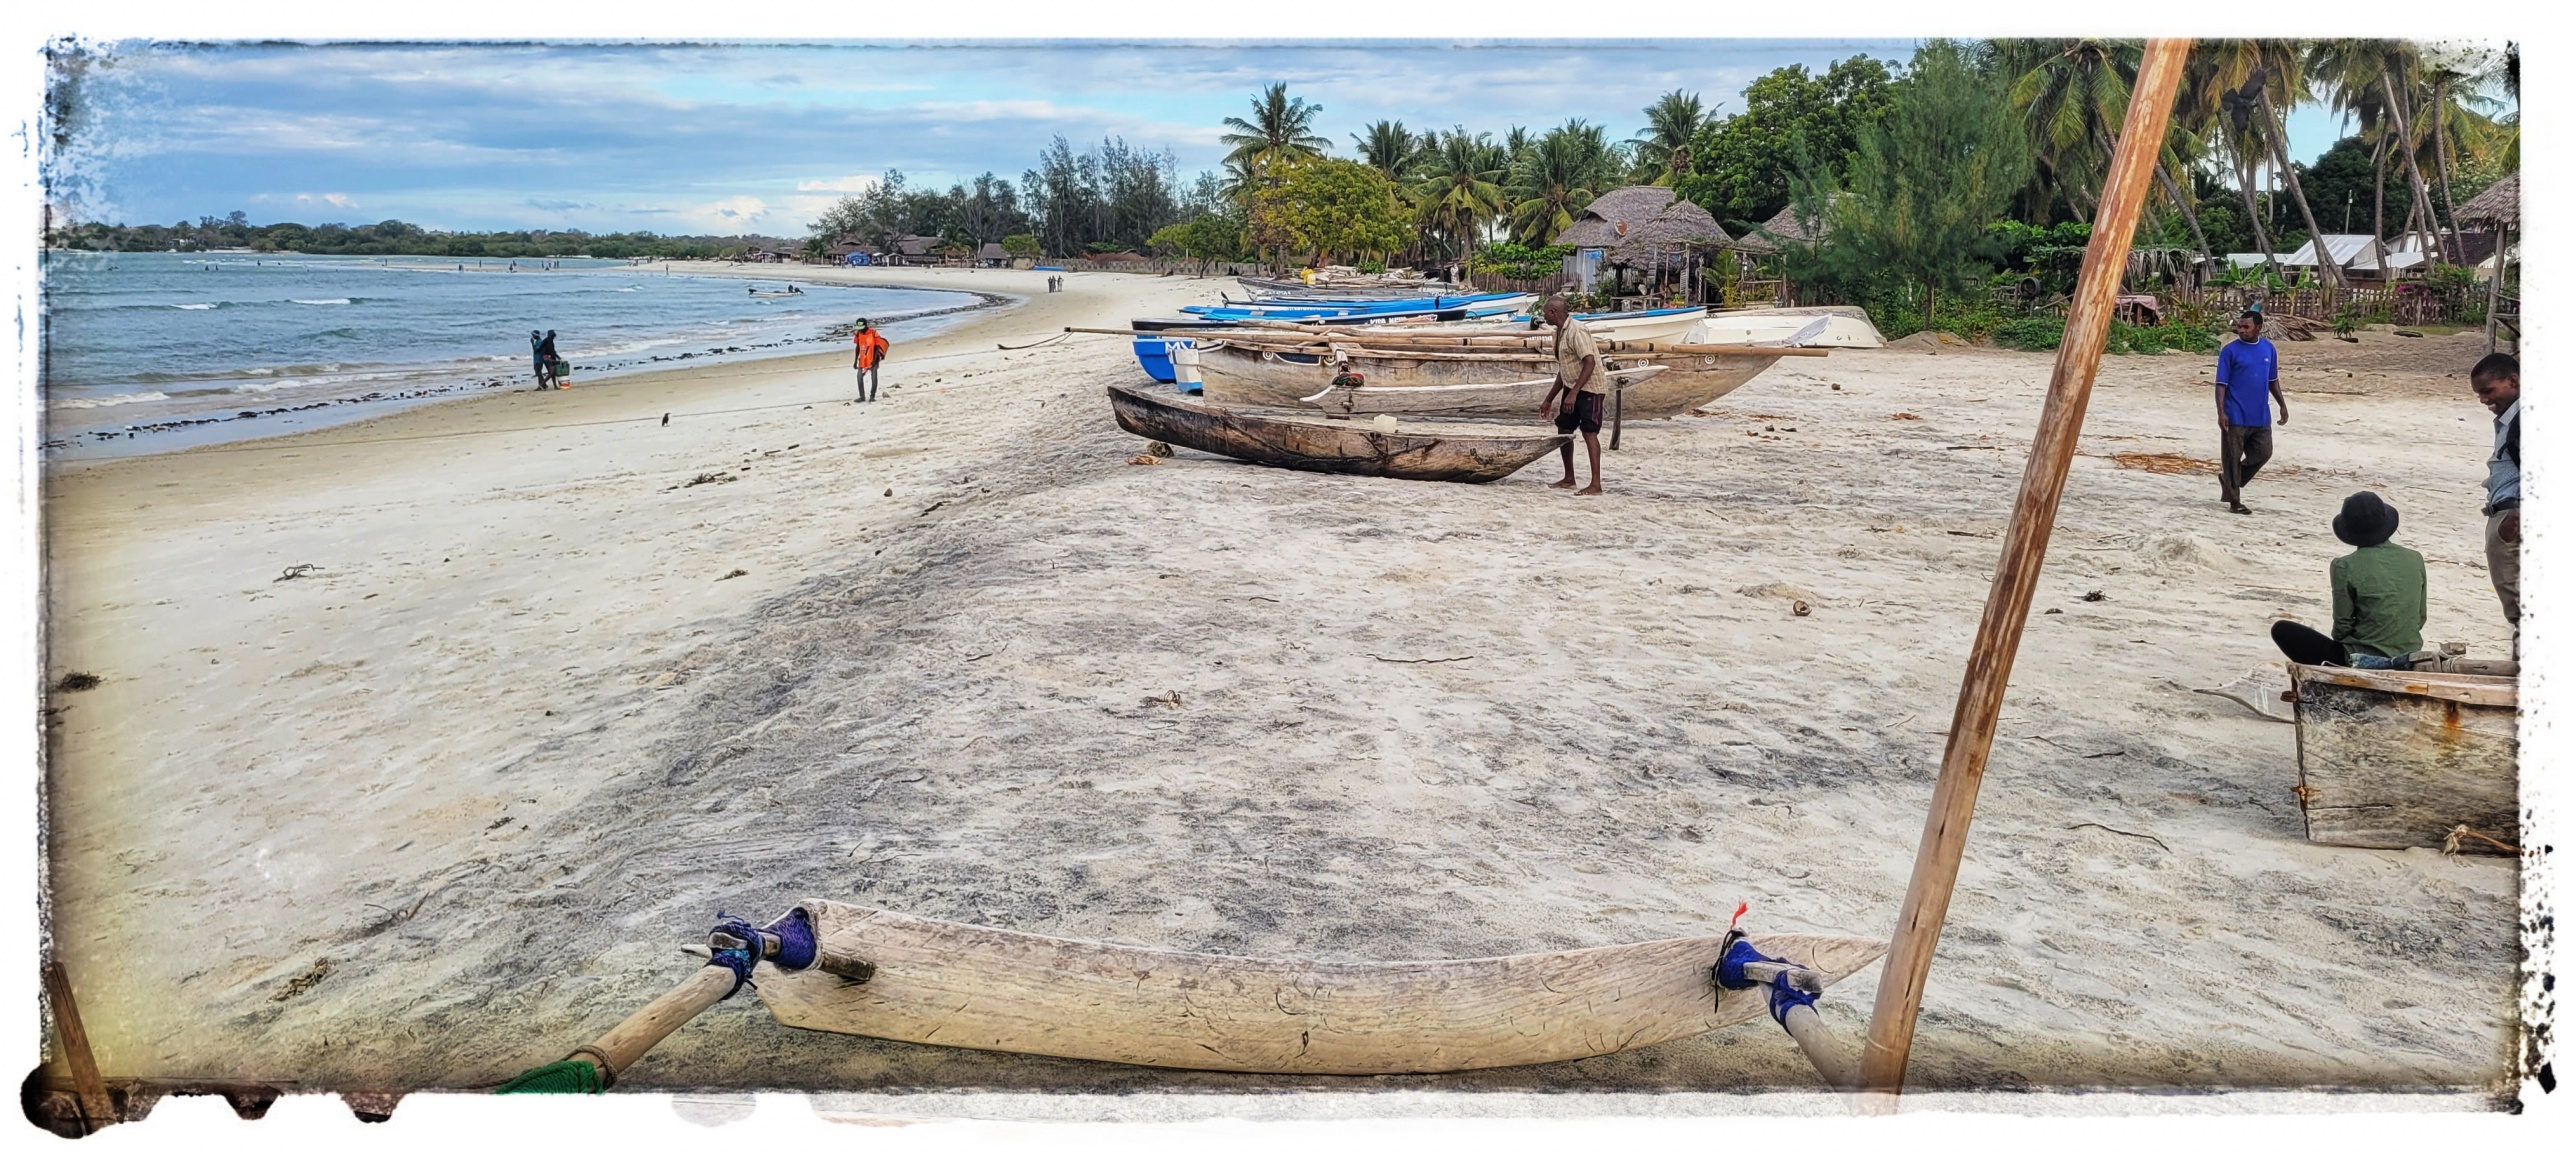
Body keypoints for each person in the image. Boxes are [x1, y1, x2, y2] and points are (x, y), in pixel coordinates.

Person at [2270, 491, 2427, 669]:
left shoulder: (2344, 566)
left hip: (2359, 659)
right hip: (2408, 656)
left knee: (2282, 630)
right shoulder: (2415, 558)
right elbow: (2420, 618)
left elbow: (2342, 627)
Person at [2213, 311, 2289, 514]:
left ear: (2258, 327)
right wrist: (2221, 412)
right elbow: (2221, 384)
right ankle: (2234, 500)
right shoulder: (2229, 351)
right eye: (2239, 326)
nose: (2241, 330)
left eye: (2246, 327)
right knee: (2232, 457)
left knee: (2264, 453)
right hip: (2235, 414)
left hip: (2260, 415)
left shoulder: (2268, 349)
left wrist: (2282, 404)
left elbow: (2272, 379)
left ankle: (2229, 480)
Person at [2471, 352, 2520, 656]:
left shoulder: (2523, 420)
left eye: (2488, 391)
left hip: (2511, 519)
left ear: (2513, 381)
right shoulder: (2511, 419)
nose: (2483, 401)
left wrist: (2514, 519)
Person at [1536, 297, 1605, 496]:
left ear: (1552, 312)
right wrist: (1549, 398)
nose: (1543, 316)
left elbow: (1589, 363)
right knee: (1564, 427)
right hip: (1571, 385)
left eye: (1544, 312)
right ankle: (1569, 477)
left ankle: (1595, 484)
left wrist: (1574, 394)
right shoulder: (1558, 333)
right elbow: (1564, 370)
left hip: (1590, 387)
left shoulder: (1577, 330)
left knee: (1589, 431)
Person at [852, 318, 888, 402]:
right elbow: (857, 347)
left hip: (873, 358)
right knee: (859, 377)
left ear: (866, 326)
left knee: (874, 377)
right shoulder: (858, 334)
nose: (860, 330)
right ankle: (862, 396)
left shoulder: (873, 333)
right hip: (862, 359)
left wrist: (875, 360)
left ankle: (872, 396)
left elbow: (878, 347)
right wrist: (855, 361)